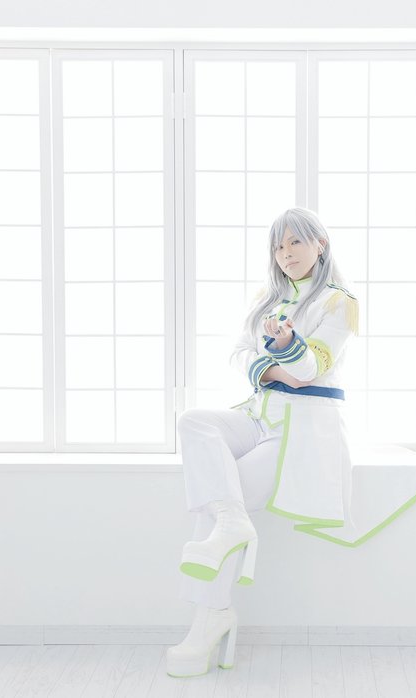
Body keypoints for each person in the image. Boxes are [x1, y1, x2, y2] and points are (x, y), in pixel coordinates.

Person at [166, 207, 359, 678]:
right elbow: (238, 354)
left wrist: (287, 348)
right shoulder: (266, 299)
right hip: (259, 414)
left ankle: (210, 620)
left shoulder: (339, 302)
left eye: (295, 242)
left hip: (299, 428)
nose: (285, 253)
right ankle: (231, 533)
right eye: (278, 246)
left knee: (215, 508)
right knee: (194, 422)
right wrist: (275, 369)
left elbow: (309, 370)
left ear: (320, 244)